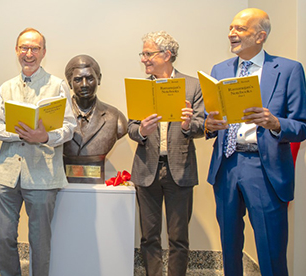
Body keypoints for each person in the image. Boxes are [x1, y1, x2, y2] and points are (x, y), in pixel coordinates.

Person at [205, 8, 306, 276]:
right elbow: (211, 117)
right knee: (229, 247)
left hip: (265, 169)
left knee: (271, 251)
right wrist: (209, 125)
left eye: (240, 29)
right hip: (226, 167)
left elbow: (301, 126)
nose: (231, 33)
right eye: (231, 28)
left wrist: (276, 123)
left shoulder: (288, 70)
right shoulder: (220, 69)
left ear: (260, 36)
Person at [0, 28, 76, 276]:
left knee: (39, 242)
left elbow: (70, 127)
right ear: (16, 50)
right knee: (5, 238)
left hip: (42, 175)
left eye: (35, 48)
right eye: (24, 48)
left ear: (43, 52)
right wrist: (20, 133)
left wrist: (44, 137)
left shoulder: (57, 86)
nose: (29, 53)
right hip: (6, 175)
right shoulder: (6, 88)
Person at [127, 31, 204, 276]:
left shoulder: (192, 86)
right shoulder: (141, 87)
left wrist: (187, 125)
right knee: (149, 236)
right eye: (143, 54)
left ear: (166, 55)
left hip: (180, 170)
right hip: (146, 169)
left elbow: (203, 126)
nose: (144, 59)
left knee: (178, 237)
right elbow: (131, 127)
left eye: (148, 54)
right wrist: (141, 130)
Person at [63, 54, 127, 157]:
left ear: (99, 79)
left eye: (89, 78)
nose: (84, 85)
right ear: (70, 83)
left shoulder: (116, 118)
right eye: (78, 80)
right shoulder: (59, 115)